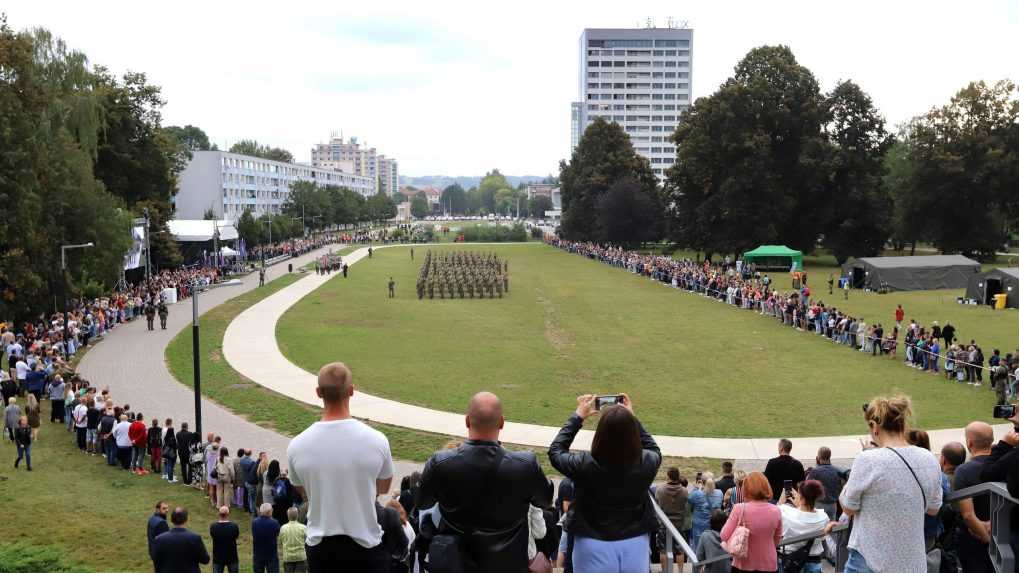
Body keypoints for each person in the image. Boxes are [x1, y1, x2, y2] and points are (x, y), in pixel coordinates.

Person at [418, 390, 551, 573]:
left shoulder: (441, 463)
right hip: (507, 565)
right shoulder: (525, 465)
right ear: (502, 423)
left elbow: (423, 501)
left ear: (467, 421)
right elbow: (544, 501)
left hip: (458, 562)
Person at [286, 362, 395, 572]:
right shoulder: (376, 440)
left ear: (318, 393)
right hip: (366, 545)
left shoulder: (297, 445)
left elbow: (303, 490)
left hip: (321, 548)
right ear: (352, 391)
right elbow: (383, 487)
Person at [548, 394, 661, 573]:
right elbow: (654, 449)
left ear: (600, 434)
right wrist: (632, 419)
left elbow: (555, 452)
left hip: (592, 543)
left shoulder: (585, 464)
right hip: (635, 542)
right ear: (632, 434)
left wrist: (578, 416)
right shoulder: (646, 462)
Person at [841, 395, 943, 573]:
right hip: (912, 563)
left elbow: (848, 507)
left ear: (874, 426)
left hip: (869, 561)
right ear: (903, 424)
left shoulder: (867, 460)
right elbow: (933, 509)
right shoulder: (929, 458)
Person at [953, 422, 995, 573]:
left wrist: (987, 539)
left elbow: (968, 515)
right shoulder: (1005, 464)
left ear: (969, 442)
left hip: (975, 540)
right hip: (1005, 534)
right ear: (991, 440)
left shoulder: (964, 471)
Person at [721, 471, 782, 573]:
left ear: (746, 488)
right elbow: (777, 539)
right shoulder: (776, 510)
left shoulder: (739, 509)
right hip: (768, 563)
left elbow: (724, 535)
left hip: (743, 564)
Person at [778, 480, 829, 573]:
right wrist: (801, 504)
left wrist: (782, 499)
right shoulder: (823, 517)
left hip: (791, 560)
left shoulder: (786, 512)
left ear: (801, 497)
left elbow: (776, 510)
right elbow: (822, 538)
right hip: (814, 559)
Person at [151, 507, 211, 573]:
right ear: (186, 519)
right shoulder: (194, 538)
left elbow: (156, 562)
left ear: (172, 519)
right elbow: (205, 560)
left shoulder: (159, 539)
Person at [655, 467, 690, 572]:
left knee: (663, 550)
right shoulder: (684, 491)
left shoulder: (660, 489)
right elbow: (685, 506)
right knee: (680, 551)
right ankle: (680, 571)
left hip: (663, 524)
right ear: (678, 476)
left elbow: (657, 504)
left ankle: (665, 571)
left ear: (668, 476)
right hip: (679, 524)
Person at [805, 447, 843, 520]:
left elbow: (806, 486)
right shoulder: (836, 470)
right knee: (831, 528)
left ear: (818, 457)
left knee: (819, 528)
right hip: (833, 504)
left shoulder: (815, 471)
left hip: (819, 505)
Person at [689, 472, 723, 550]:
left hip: (699, 526)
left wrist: (698, 488)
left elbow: (689, 499)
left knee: (698, 548)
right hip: (714, 526)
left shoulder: (696, 494)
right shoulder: (719, 493)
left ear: (702, 482)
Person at [210, 505, 240, 573]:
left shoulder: (213, 527)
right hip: (232, 556)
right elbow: (236, 536)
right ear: (228, 514)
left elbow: (212, 536)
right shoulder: (234, 526)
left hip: (218, 557)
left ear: (219, 514)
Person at [253, 503, 282, 573]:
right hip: (271, 554)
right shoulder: (274, 523)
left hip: (258, 554)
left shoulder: (254, 522)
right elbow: (278, 533)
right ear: (269, 512)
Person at [280, 507, 309, 573]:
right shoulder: (304, 528)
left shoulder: (283, 528)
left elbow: (280, 542)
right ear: (297, 515)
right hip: (301, 557)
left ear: (288, 516)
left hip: (288, 558)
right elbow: (307, 541)